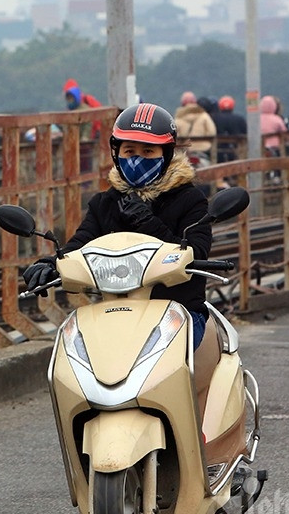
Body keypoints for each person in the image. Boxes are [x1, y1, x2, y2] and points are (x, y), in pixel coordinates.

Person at [22, 103, 212, 349]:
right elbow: (80, 243)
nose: (136, 159)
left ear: (165, 154)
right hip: (112, 313)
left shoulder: (190, 199)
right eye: (129, 150)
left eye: (148, 152)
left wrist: (147, 222)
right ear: (116, 153)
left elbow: (197, 251)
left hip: (177, 312)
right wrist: (51, 263)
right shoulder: (105, 203)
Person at [174, 91, 216, 161]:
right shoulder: (204, 116)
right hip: (202, 150)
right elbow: (212, 133)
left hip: (185, 152)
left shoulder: (178, 118)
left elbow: (175, 135)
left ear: (182, 103)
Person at [210, 95, 247, 163]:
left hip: (218, 151)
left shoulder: (214, 119)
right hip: (236, 152)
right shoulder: (240, 119)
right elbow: (245, 133)